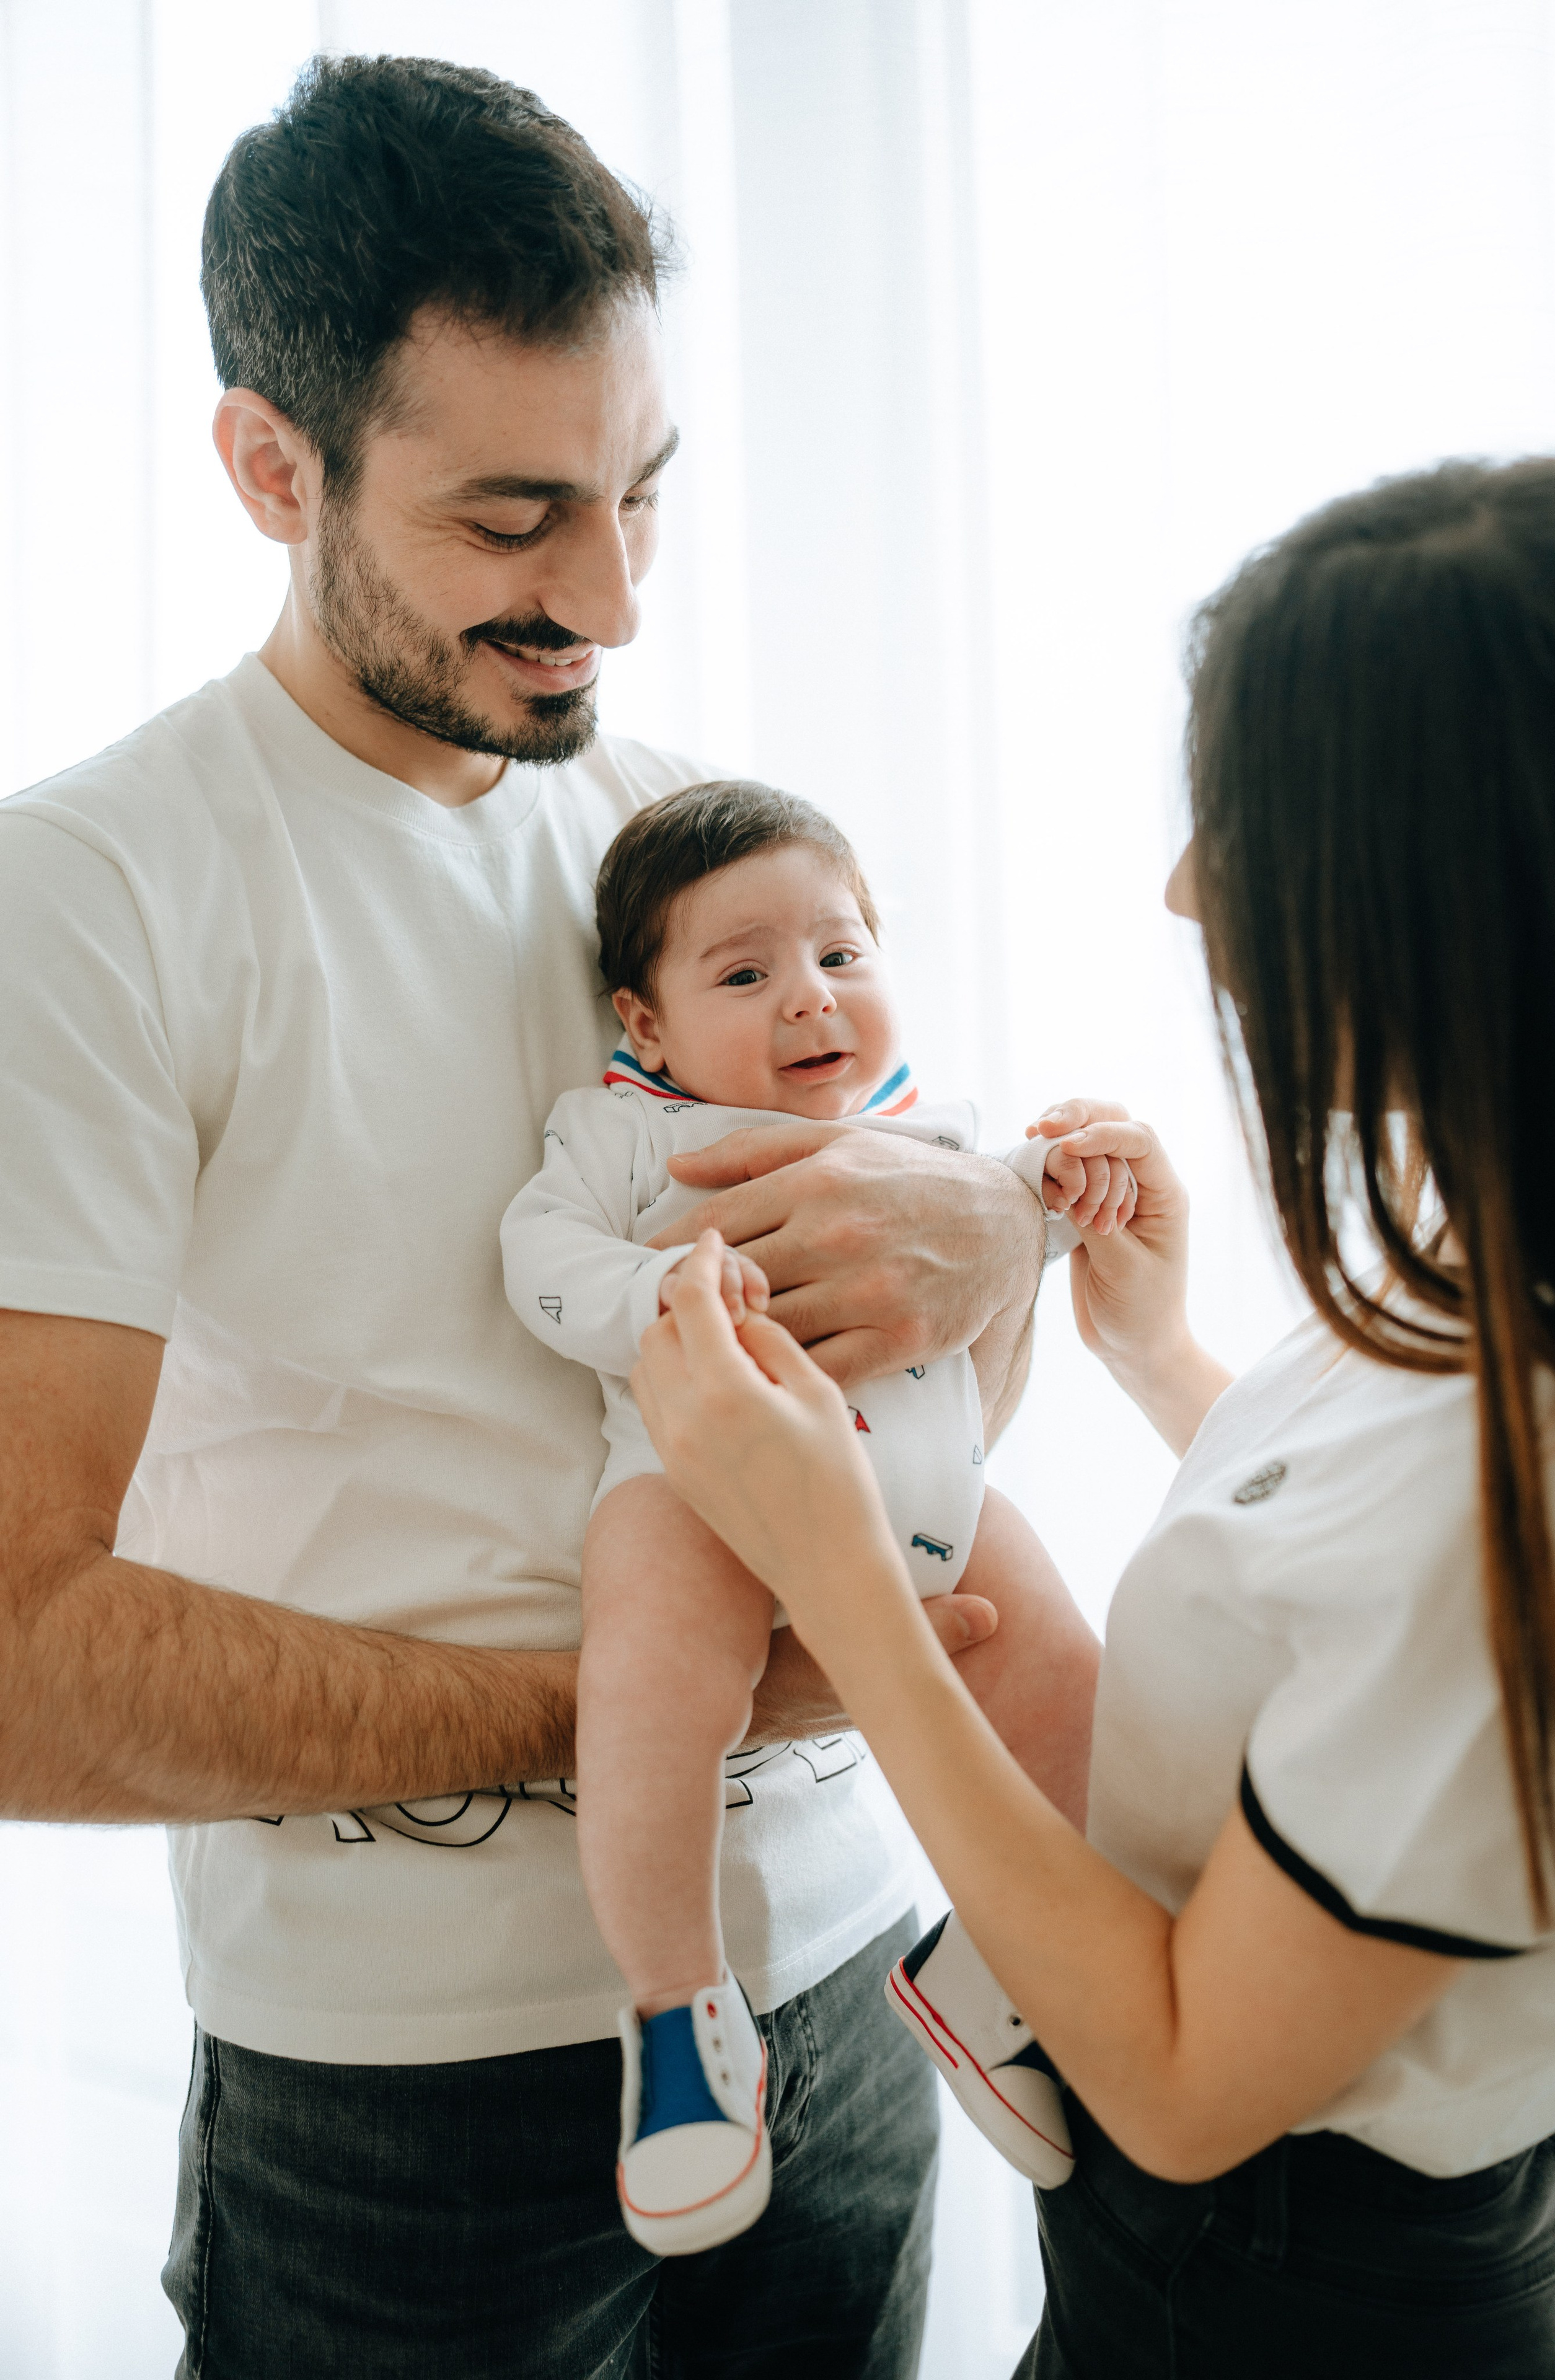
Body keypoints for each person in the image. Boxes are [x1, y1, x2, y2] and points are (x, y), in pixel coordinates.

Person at [0, 55, 1062, 2380]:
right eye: (512, 520)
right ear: (271, 466)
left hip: (854, 1982)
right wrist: (630, 1717)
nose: (606, 595)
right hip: (402, 2101)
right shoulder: (85, 899)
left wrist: (997, 1226)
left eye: (641, 494)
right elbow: (15, 1660)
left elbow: (907, 1268)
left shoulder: (691, 842)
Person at [629, 456, 1555, 2377]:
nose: (1180, 886)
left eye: (1237, 821)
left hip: (1307, 2293)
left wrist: (847, 1578)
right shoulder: (1500, 1247)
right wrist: (1160, 1358)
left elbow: (1167, 2077)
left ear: (1434, 883)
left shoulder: (1541, 1483)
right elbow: (1368, 1620)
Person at [501, 779, 1124, 2250]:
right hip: (696, 1497)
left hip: (924, 1504)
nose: (808, 1000)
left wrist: (1062, 1180)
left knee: (1072, 1692)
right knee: (650, 1688)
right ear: (643, 1025)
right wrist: (657, 1289)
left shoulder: (934, 1129)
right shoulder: (626, 1133)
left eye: (841, 957)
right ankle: (677, 2018)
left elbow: (1017, 1217)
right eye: (744, 973)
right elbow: (536, 1265)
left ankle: (990, 1963)